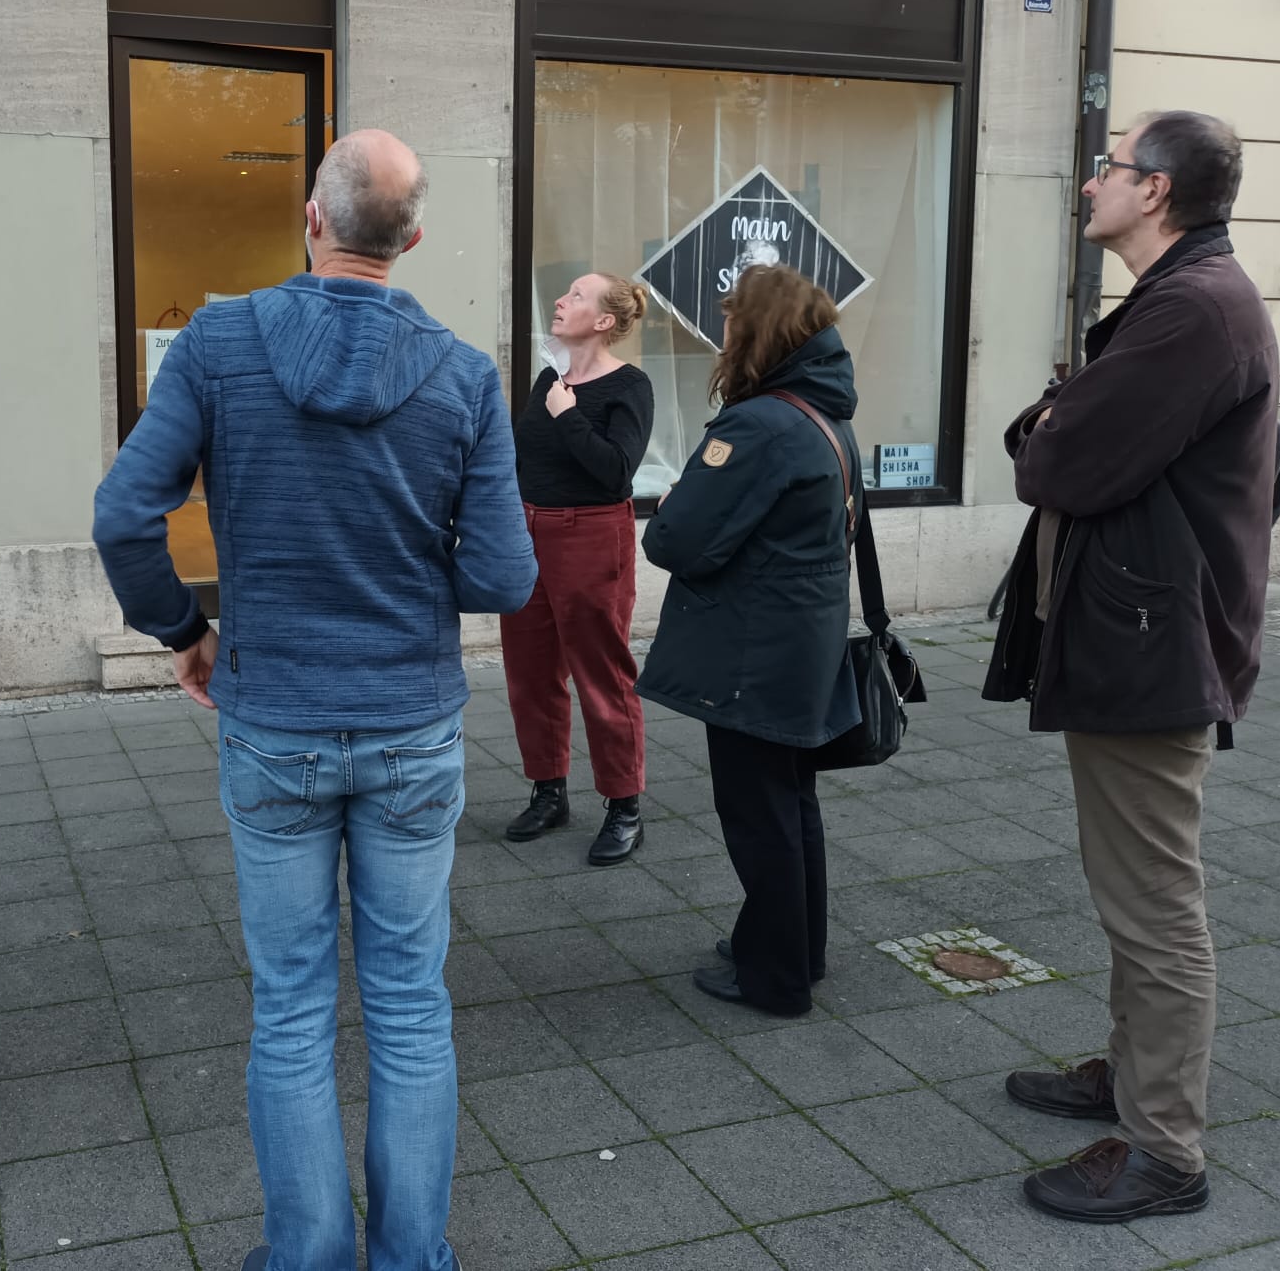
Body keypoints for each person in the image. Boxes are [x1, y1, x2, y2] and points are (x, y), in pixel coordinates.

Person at [92, 129, 536, 1271]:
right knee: (407, 1003)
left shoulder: (219, 341)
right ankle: (410, 1258)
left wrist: (182, 633)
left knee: (289, 1009)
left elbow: (121, 514)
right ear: (414, 239)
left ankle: (306, 1256)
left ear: (310, 217)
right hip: (408, 720)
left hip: (273, 715)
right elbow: (500, 579)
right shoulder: (461, 373)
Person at [985, 111, 1278, 1224]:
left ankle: (1162, 1149)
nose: (1086, 184)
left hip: (1156, 651)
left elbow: (1055, 458)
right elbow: (1058, 440)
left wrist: (1056, 424)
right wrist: (1058, 426)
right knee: (1130, 894)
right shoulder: (1180, 300)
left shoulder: (1193, 310)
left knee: (1152, 903)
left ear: (1152, 191)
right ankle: (1128, 1074)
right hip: (1142, 636)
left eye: (1104, 168)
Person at [636, 265, 860, 1019]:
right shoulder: (823, 413)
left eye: (731, 319)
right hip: (800, 644)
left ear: (759, 331)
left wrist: (673, 506)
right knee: (792, 805)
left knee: (760, 816)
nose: (722, 332)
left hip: (753, 655)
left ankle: (775, 979)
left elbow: (676, 541)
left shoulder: (759, 424)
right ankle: (797, 951)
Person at [501, 273, 656, 864]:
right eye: (564, 292)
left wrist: (568, 415)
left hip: (591, 535)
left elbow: (616, 473)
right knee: (530, 672)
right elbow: (521, 457)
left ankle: (624, 806)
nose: (561, 301)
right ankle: (549, 792)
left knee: (602, 673)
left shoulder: (630, 386)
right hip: (528, 532)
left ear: (606, 321)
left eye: (577, 296)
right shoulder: (550, 378)